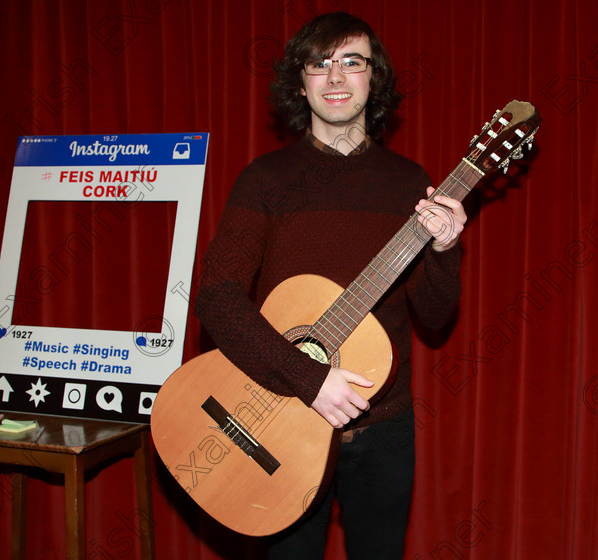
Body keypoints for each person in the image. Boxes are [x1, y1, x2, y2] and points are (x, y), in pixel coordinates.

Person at [194, 11, 467, 560]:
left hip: (382, 429)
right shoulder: (265, 178)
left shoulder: (408, 183)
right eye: (320, 64)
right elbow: (216, 298)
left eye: (352, 62)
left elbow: (435, 319)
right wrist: (309, 378)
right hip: (279, 425)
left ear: (374, 78)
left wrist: (443, 250)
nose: (336, 77)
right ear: (300, 82)